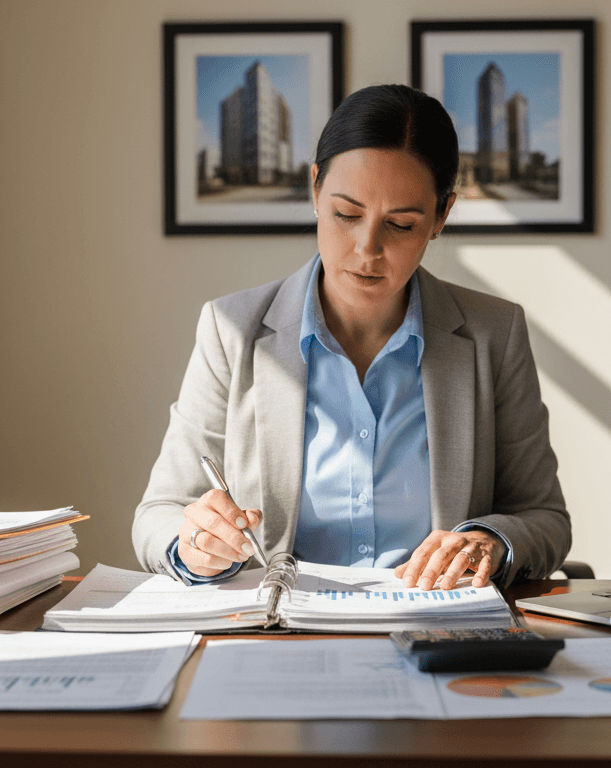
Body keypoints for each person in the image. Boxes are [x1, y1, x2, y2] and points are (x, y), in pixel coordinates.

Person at [132, 84, 570, 590]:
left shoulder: (494, 333)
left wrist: (489, 540)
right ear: (316, 189)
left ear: (441, 217)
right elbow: (158, 512)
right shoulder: (232, 329)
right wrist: (193, 545)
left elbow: (545, 518)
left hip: (430, 629)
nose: (368, 248)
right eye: (346, 215)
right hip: (277, 634)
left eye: (401, 225)